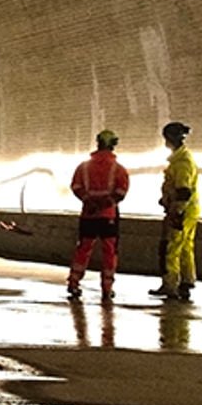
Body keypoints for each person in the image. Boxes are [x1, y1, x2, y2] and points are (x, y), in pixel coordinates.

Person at [67, 128, 129, 299]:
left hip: (88, 215)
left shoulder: (84, 167)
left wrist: (89, 202)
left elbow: (76, 187)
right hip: (108, 216)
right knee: (109, 251)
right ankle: (107, 288)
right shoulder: (118, 169)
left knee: (83, 248)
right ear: (113, 146)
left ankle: (73, 282)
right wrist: (105, 205)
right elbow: (121, 191)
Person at [152, 120, 200, 302]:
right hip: (189, 210)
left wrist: (176, 211)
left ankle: (170, 284)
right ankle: (186, 281)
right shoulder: (183, 159)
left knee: (171, 247)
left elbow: (183, 190)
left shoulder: (182, 162)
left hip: (180, 211)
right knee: (186, 246)